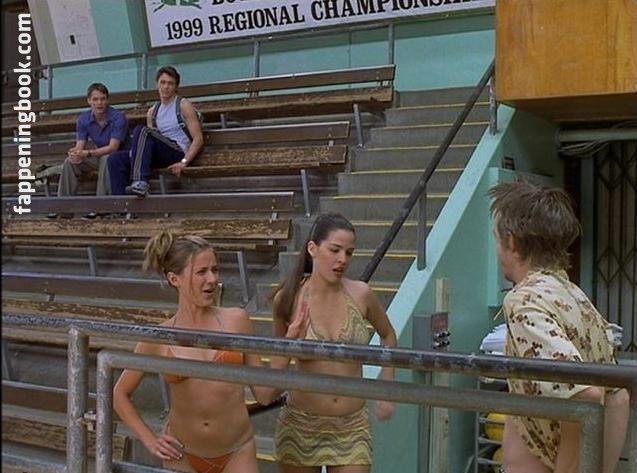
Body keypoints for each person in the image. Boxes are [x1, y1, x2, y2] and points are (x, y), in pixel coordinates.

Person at [489, 181, 629, 473]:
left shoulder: (524, 300)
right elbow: (617, 394)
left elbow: (584, 393)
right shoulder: (571, 292)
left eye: (497, 239)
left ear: (511, 242)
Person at [113, 232, 270, 473]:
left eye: (215, 270)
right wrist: (151, 440)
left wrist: (289, 343)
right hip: (182, 454)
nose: (212, 279)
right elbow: (119, 394)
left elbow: (264, 394)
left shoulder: (237, 320)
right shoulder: (159, 337)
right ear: (174, 279)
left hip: (238, 451)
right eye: (201, 272)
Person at [265, 212, 397, 473]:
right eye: (335, 250)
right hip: (301, 425)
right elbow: (277, 365)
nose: (342, 259)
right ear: (312, 248)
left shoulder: (361, 294)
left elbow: (388, 335)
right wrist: (291, 341)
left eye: (349, 253)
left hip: (352, 427)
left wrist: (386, 388)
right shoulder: (288, 298)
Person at [107, 65, 203, 197]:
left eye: (170, 83)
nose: (166, 87)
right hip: (159, 153)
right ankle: (119, 204)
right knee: (115, 159)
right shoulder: (152, 111)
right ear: (157, 84)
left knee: (142, 130)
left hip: (177, 151)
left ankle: (140, 181)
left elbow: (198, 139)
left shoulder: (183, 105)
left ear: (176, 86)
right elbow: (146, 142)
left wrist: (184, 162)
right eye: (163, 82)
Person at [53, 82, 129, 217]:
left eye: (103, 99)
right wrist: (75, 153)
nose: (99, 103)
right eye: (95, 99)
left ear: (107, 100)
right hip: (98, 155)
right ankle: (63, 209)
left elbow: (113, 147)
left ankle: (101, 207)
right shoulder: (83, 119)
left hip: (119, 158)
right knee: (69, 162)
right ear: (89, 101)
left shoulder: (118, 117)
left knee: (107, 158)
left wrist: (87, 153)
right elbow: (80, 145)